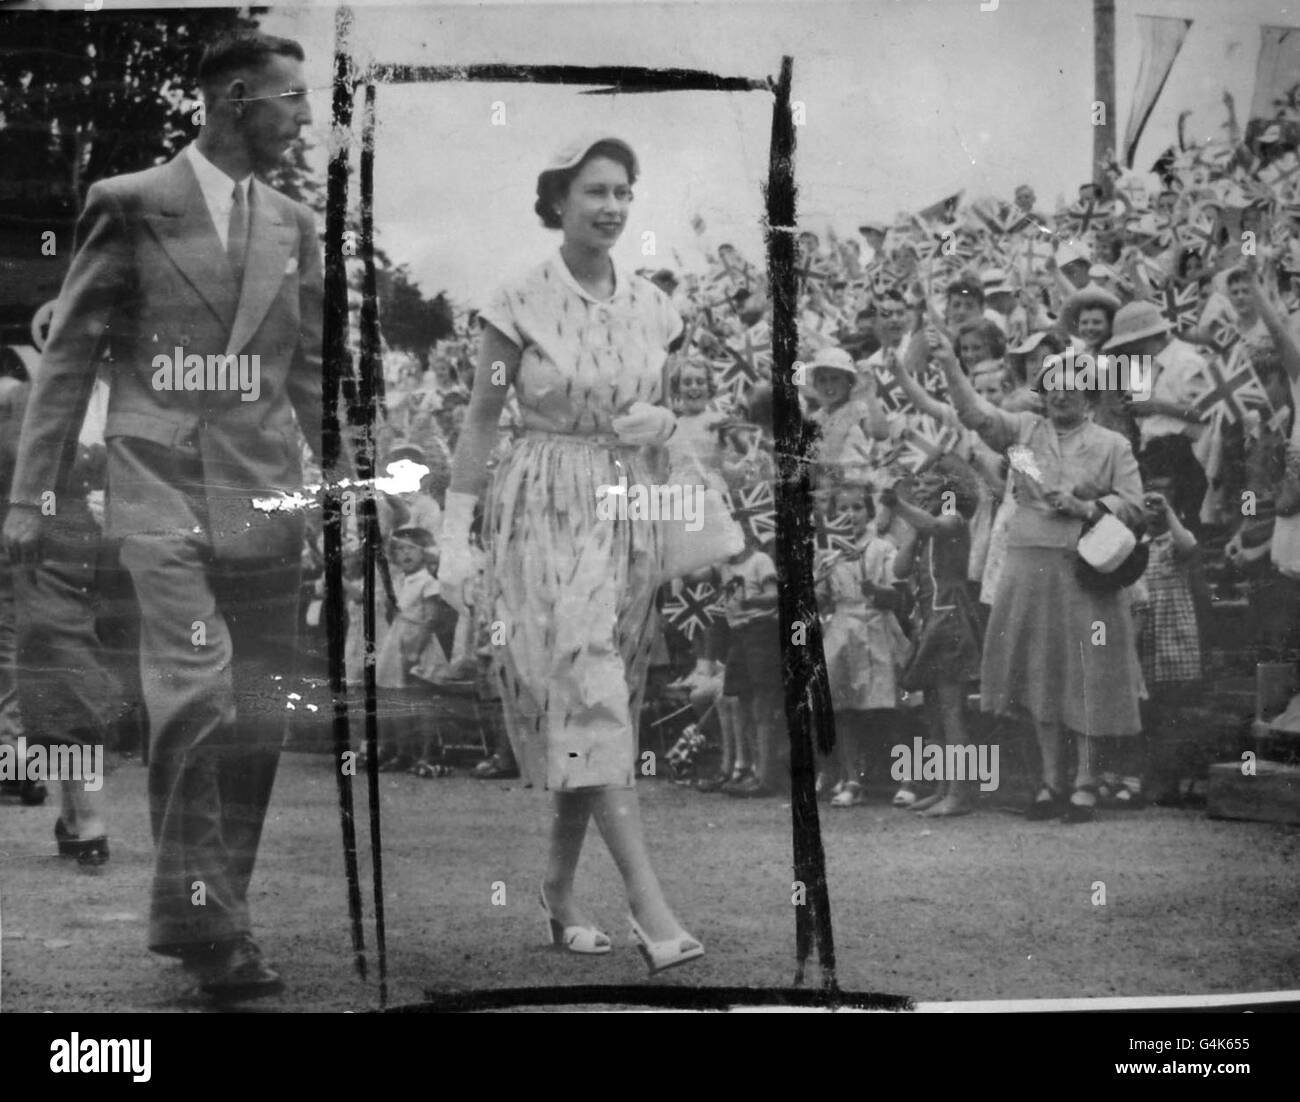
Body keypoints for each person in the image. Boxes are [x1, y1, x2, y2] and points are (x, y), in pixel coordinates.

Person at [4, 31, 326, 999]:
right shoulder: (131, 204)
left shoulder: (293, 224)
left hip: (264, 497)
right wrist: (30, 494)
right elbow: (69, 362)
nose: (306, 116)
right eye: (291, 98)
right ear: (234, 98)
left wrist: (363, 484)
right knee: (199, 697)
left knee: (258, 719)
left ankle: (211, 915)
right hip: (161, 493)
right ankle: (213, 930)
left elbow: (307, 374)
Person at [437, 135, 703, 974]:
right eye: (595, 191)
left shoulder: (657, 306)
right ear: (559, 198)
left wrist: (665, 423)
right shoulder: (517, 298)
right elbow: (482, 419)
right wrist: (455, 529)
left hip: (625, 507)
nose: (613, 206)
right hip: (540, 502)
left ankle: (556, 893)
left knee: (601, 703)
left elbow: (675, 407)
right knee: (587, 689)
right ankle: (650, 907)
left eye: (624, 190)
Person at [936, 325, 1146, 824]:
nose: (1059, 395)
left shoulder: (1112, 443)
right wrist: (948, 364)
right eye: (1052, 387)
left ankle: (1086, 783)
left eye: (1070, 386)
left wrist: (1088, 506)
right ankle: (1051, 782)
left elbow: (1136, 508)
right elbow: (974, 415)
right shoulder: (1025, 434)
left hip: (1085, 570)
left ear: (1088, 393)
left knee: (1087, 675)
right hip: (1028, 566)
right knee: (1040, 674)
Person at [885, 455, 985, 817]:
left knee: (951, 710)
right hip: (930, 618)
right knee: (935, 713)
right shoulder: (924, 527)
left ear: (950, 487)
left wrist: (898, 505)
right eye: (920, 482)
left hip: (950, 615)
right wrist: (911, 527)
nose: (922, 487)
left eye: (930, 482)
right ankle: (944, 787)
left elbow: (937, 526)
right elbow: (898, 569)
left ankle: (960, 792)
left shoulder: (954, 518)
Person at [815, 478, 906, 808]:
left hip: (877, 626)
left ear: (869, 512)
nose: (850, 515)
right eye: (842, 508)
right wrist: (816, 585)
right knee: (843, 707)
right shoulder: (826, 553)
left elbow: (896, 594)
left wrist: (873, 588)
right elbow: (820, 600)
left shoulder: (882, 546)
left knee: (888, 705)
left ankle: (906, 777)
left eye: (857, 508)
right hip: (842, 630)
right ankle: (851, 777)